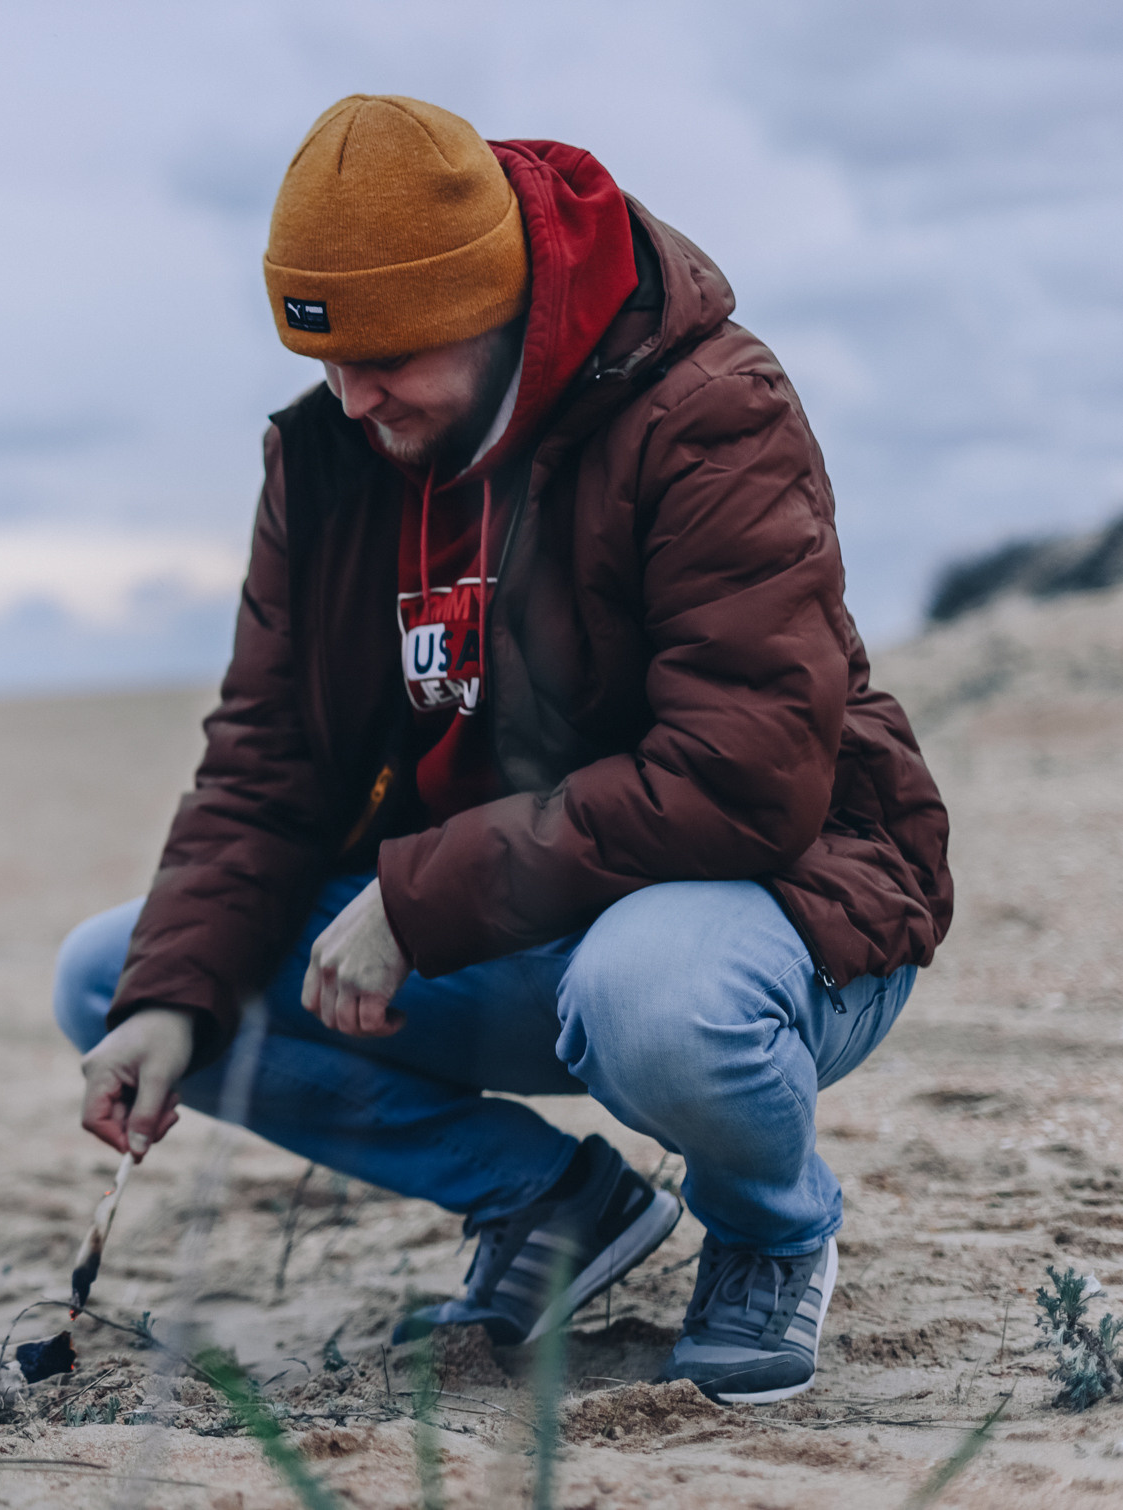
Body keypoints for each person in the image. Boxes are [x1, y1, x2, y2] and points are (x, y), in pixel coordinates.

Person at [54, 95, 950, 1405]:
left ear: (493, 308)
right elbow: (264, 761)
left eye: (389, 359)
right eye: (326, 360)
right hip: (516, 925)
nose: (353, 400)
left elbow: (743, 770)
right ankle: (552, 1207)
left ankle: (767, 1233)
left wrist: (417, 899)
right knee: (112, 977)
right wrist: (167, 996)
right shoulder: (330, 456)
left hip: (772, 916)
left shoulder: (706, 408)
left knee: (652, 995)